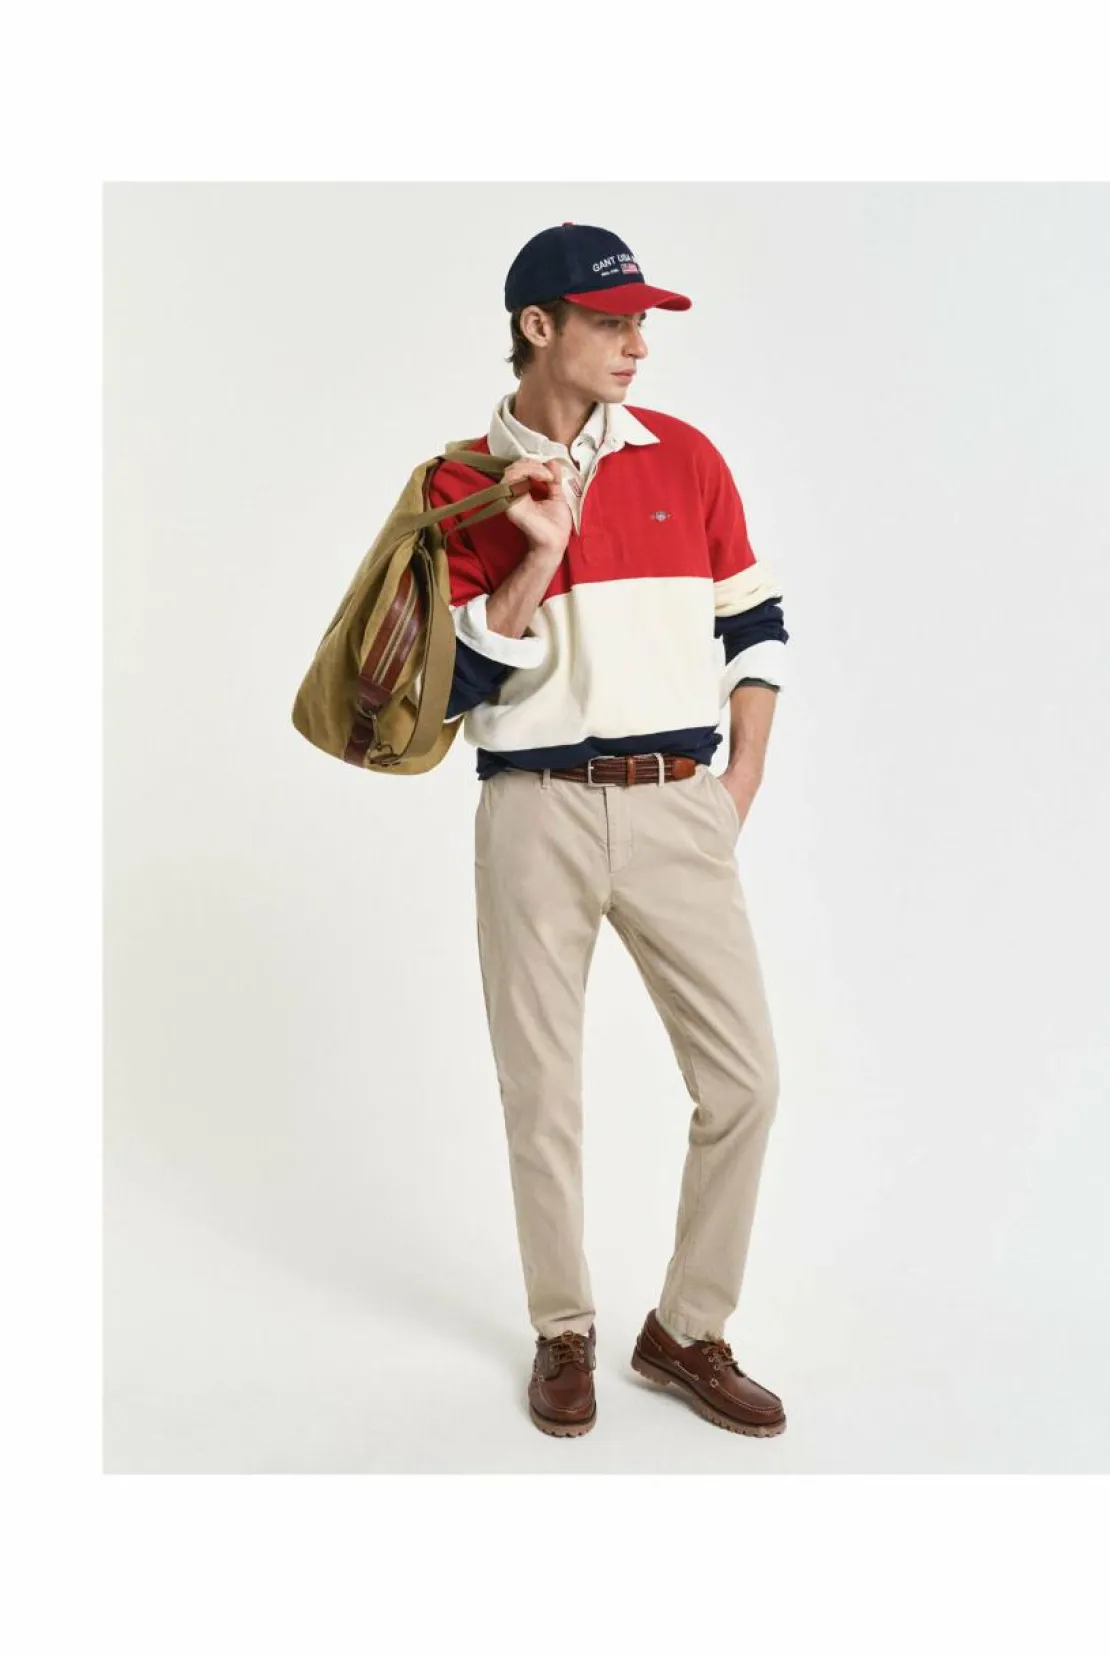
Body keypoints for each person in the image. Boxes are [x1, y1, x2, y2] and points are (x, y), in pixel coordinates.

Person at [424, 223, 790, 1438]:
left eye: (642, 321)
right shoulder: (462, 486)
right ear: (539, 326)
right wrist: (536, 549)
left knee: (744, 1082)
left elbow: (754, 623)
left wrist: (739, 779)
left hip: (679, 803)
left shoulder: (686, 457)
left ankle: (685, 1330)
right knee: (542, 1092)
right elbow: (453, 692)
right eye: (610, 320)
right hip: (533, 809)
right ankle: (563, 1328)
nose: (637, 342)